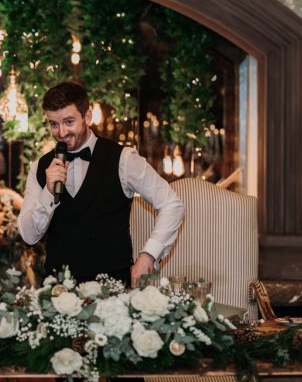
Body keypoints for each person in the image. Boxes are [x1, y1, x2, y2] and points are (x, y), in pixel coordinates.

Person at [19, 81, 185, 288]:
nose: (61, 133)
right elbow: (29, 235)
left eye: (69, 122)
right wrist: (48, 192)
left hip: (113, 293)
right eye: (54, 124)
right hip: (57, 293)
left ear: (87, 116)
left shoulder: (123, 159)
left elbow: (172, 205)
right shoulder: (39, 168)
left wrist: (149, 254)